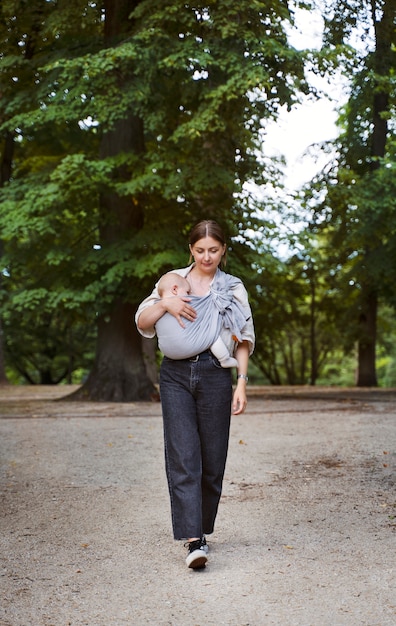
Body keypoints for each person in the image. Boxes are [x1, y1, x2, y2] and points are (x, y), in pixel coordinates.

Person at [135, 220, 255, 570]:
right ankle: (193, 540)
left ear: (223, 251)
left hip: (215, 375)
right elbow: (143, 322)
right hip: (174, 376)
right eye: (200, 250)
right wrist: (166, 305)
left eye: (213, 250)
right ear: (190, 249)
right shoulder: (170, 281)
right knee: (184, 453)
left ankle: (201, 527)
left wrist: (242, 383)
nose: (207, 256)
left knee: (213, 460)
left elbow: (242, 338)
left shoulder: (232, 288)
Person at [156, 271, 245, 368]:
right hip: (175, 366)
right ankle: (224, 359)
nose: (189, 294)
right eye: (187, 292)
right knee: (211, 333)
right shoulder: (177, 302)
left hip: (170, 356)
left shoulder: (155, 306)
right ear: (175, 289)